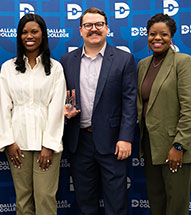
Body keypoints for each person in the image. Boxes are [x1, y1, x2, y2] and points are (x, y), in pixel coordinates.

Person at [60, 7, 137, 215]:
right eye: (88, 25)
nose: (93, 29)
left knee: (116, 202)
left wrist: (126, 138)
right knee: (85, 203)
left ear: (107, 28)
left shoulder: (123, 59)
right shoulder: (67, 61)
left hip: (114, 142)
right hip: (79, 141)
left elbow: (130, 102)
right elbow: (68, 95)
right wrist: (67, 109)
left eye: (98, 24)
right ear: (80, 30)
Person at [0, 14, 66, 215]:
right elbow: (3, 107)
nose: (29, 36)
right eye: (24, 32)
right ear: (19, 36)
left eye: (34, 31)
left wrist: (49, 145)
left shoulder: (55, 68)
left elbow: (57, 108)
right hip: (18, 145)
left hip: (47, 146)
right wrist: (8, 142)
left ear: (43, 34)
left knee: (45, 198)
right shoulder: (8, 68)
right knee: (23, 200)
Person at [137, 13, 191, 215]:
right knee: (157, 203)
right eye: (152, 34)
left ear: (171, 36)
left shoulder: (184, 62)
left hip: (175, 148)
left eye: (163, 34)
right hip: (150, 146)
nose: (157, 38)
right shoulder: (143, 65)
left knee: (176, 207)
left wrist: (178, 145)